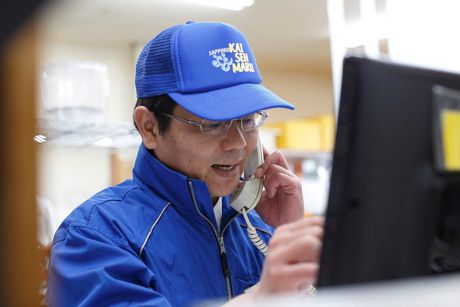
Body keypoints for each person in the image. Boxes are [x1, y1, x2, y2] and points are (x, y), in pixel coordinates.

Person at [46, 21, 324, 306]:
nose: (238, 143)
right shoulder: (96, 235)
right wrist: (260, 298)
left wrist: (288, 239)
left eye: (247, 121)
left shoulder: (258, 228)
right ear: (149, 128)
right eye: (213, 124)